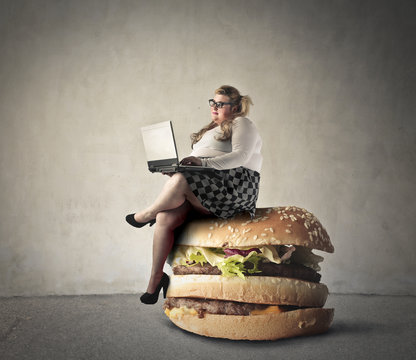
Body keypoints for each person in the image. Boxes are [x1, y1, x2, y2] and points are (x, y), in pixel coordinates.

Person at [126, 85, 263, 304]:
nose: (214, 107)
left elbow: (241, 156)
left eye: (221, 104)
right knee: (165, 216)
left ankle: (146, 215)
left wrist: (200, 163)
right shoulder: (210, 130)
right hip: (207, 187)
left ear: (235, 106)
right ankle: (155, 280)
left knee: (180, 181)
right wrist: (179, 169)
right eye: (213, 102)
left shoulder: (241, 123)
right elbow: (199, 164)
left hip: (234, 188)